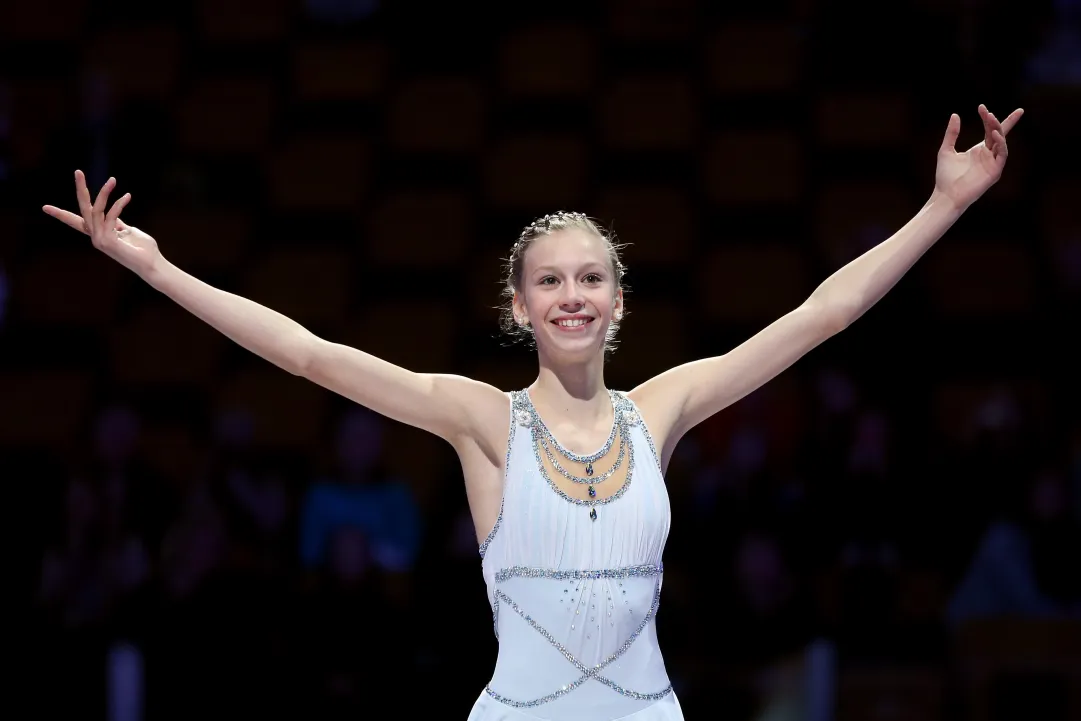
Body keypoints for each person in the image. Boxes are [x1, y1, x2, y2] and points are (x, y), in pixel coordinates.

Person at [43, 104, 1022, 719]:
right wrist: (156, 268)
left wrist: (943, 206)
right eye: (548, 279)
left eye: (590, 277)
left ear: (618, 301)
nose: (570, 293)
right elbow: (309, 356)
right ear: (518, 305)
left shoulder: (664, 407)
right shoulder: (479, 418)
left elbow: (825, 313)